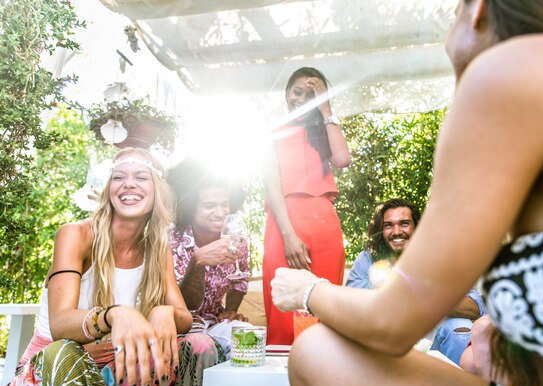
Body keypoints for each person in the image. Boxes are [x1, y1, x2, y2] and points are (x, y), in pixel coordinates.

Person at [270, 1, 543, 386]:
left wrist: (307, 290)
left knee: (317, 353)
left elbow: (392, 323)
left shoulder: (510, 72)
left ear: (477, 10)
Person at [0, 148, 221, 386]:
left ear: (157, 191)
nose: (129, 184)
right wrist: (113, 316)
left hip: (122, 378)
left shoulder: (157, 248)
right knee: (64, 351)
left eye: (141, 177)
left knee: (200, 344)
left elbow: (185, 318)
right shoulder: (76, 235)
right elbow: (59, 325)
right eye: (119, 177)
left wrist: (166, 312)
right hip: (57, 374)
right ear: (108, 189)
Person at [263, 66, 351, 345]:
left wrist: (325, 108)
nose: (301, 99)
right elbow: (272, 185)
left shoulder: (326, 129)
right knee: (282, 311)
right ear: (286, 93)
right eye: (296, 92)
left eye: (310, 94)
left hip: (325, 222)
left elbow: (342, 159)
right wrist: (288, 235)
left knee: (327, 307)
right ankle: (280, 385)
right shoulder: (271, 132)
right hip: (284, 223)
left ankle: (325, 379)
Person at [346, 198, 485, 364]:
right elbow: (350, 304)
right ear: (381, 231)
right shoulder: (367, 259)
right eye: (388, 225)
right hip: (382, 334)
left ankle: (453, 385)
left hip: (431, 336)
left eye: (404, 223)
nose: (396, 231)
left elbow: (474, 306)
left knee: (460, 326)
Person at [167, 157, 251, 357]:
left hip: (213, 324)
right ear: (189, 206)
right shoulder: (170, 241)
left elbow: (240, 281)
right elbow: (183, 306)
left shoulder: (236, 240)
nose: (220, 212)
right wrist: (197, 261)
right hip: (179, 327)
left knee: (248, 338)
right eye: (209, 205)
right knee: (200, 347)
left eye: (225, 204)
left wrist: (230, 311)